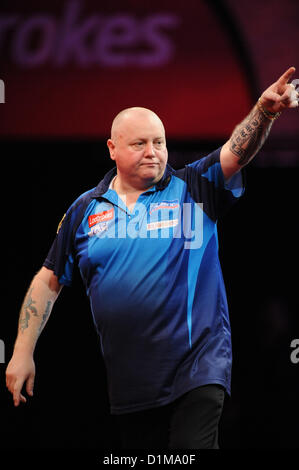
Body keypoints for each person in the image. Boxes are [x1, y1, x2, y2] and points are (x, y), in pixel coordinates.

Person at [6, 67, 298, 449]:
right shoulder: (85, 210)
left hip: (199, 369)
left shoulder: (195, 187)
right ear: (112, 149)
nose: (153, 152)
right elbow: (48, 281)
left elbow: (236, 152)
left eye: (159, 142)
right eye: (140, 143)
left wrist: (264, 112)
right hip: (131, 384)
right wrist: (22, 352)